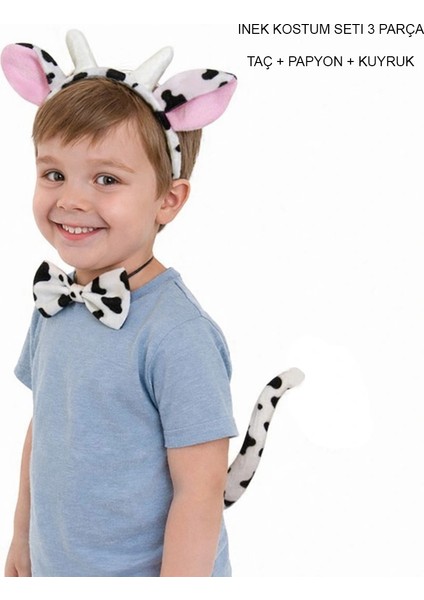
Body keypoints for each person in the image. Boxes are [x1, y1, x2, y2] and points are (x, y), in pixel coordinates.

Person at [1, 29, 304, 578]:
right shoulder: (56, 303)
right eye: (54, 174)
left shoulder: (176, 334)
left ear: (168, 199)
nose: (72, 199)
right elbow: (44, 429)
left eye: (106, 179)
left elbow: (199, 493)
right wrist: (22, 538)